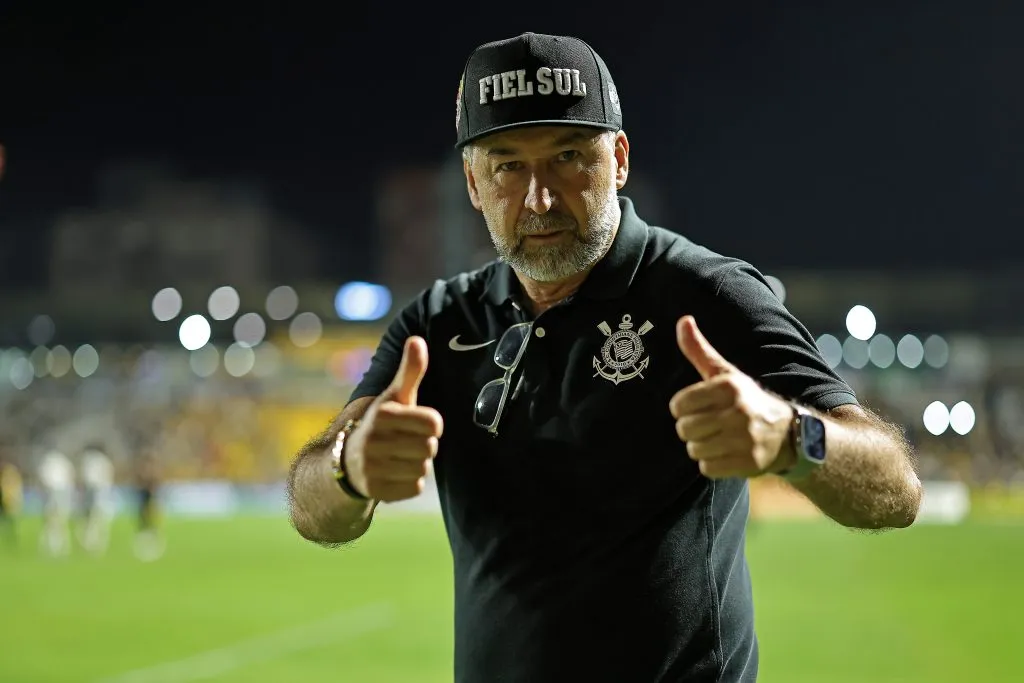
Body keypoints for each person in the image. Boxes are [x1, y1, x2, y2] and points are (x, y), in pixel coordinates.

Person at [287, 32, 922, 683]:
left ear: (618, 159)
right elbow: (312, 507)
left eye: (567, 156)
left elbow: (896, 488)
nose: (538, 198)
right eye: (507, 165)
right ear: (473, 185)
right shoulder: (436, 322)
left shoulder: (710, 294)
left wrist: (791, 435)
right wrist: (348, 465)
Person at [76, 443, 116, 556]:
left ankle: (90, 542)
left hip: (94, 491)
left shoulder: (90, 460)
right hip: (102, 492)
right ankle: (97, 543)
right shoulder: (104, 461)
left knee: (91, 519)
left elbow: (85, 478)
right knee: (98, 520)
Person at [37, 449, 75, 558]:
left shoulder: (48, 462)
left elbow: (43, 479)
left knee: (52, 521)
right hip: (61, 491)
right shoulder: (63, 461)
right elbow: (71, 475)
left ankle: (54, 547)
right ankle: (60, 547)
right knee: (58, 521)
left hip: (54, 491)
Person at [0, 453, 23, 549]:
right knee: (9, 521)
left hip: (9, 501)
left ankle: (12, 537)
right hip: (7, 501)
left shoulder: (10, 478)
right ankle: (11, 537)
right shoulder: (6, 478)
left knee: (10, 521)